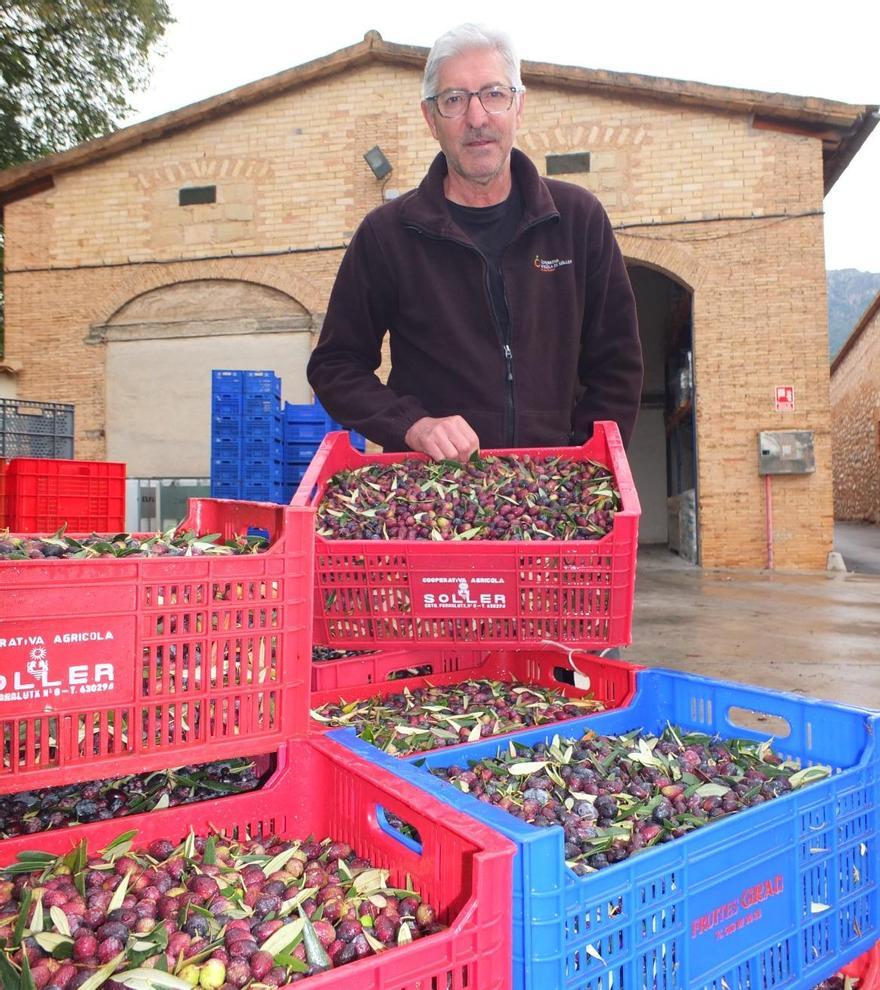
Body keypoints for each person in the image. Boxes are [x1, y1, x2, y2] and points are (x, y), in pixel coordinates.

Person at [307, 22, 643, 461]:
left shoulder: (578, 220)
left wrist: (583, 465)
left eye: (494, 94)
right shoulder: (387, 236)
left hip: (552, 497)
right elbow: (335, 366)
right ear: (431, 119)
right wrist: (413, 425)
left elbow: (617, 367)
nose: (477, 117)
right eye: (454, 100)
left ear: (518, 107)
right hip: (431, 499)